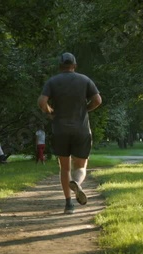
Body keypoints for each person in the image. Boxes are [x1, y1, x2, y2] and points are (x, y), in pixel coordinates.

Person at [37, 52, 102, 214]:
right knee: (80, 166)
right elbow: (98, 101)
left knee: (64, 168)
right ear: (75, 65)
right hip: (81, 130)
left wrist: (50, 112)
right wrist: (85, 109)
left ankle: (69, 204)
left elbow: (42, 102)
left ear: (60, 66)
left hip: (60, 130)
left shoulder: (53, 82)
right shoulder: (85, 80)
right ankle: (77, 183)